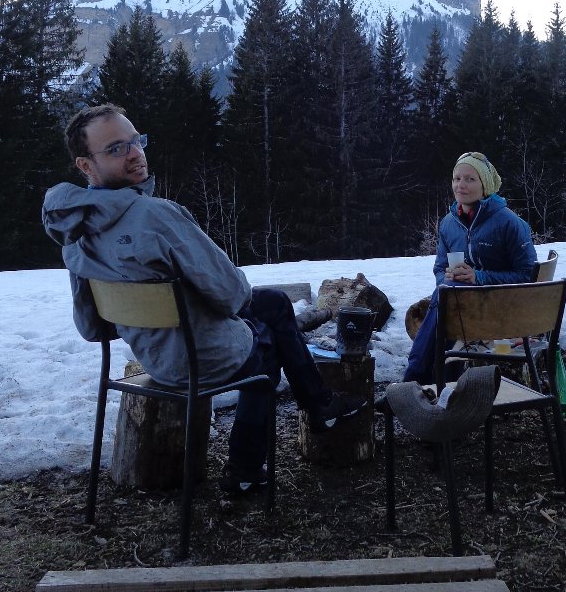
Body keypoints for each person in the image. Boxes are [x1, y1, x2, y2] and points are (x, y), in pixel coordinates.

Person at [42, 103, 367, 497]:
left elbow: (92, 328)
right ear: (84, 165)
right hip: (202, 355)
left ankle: (320, 406)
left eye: (135, 141)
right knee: (265, 358)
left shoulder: (73, 234)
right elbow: (231, 294)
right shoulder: (157, 217)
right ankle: (251, 467)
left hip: (156, 356)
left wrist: (148, 310)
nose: (134, 153)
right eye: (116, 149)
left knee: (276, 304)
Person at [403, 151, 537, 386]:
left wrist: (478, 277)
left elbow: (528, 276)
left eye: (469, 179)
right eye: (456, 178)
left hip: (501, 311)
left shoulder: (509, 222)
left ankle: (413, 382)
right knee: (447, 292)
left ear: (484, 185)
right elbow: (439, 268)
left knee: (447, 298)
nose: (460, 185)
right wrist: (446, 278)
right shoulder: (448, 223)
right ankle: (438, 391)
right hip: (461, 308)